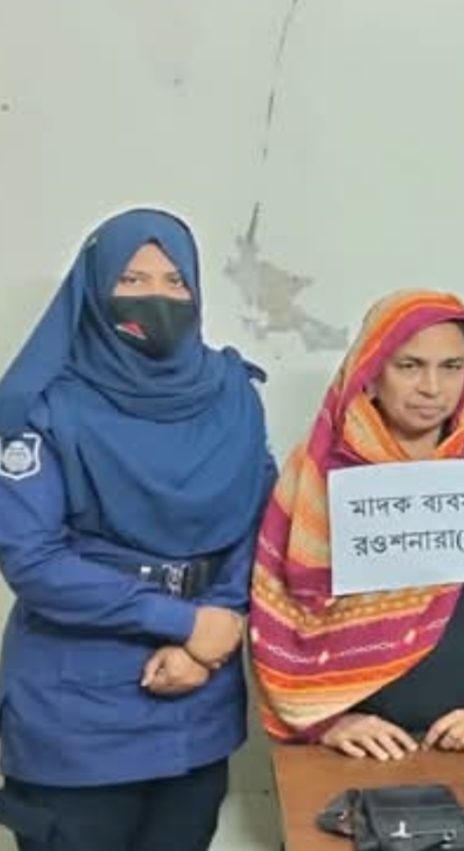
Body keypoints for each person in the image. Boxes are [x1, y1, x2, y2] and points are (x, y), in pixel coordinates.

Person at [0, 209, 276, 851]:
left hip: (197, 704)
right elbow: (34, 561)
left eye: (175, 281)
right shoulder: (43, 406)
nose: (156, 297)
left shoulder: (232, 394)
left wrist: (209, 638)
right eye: (132, 280)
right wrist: (183, 623)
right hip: (77, 714)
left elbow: (258, 524)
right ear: (95, 291)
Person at [250, 290, 464, 758]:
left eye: (451, 366)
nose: (432, 387)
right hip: (361, 750)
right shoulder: (319, 470)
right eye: (409, 366)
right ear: (370, 371)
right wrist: (332, 723)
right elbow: (280, 611)